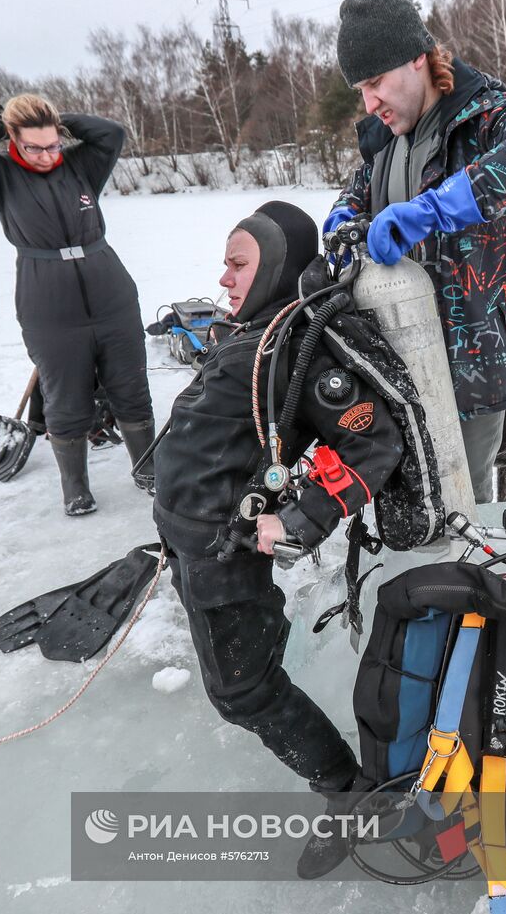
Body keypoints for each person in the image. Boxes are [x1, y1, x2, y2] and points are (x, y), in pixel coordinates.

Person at [153, 200, 406, 878]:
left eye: (238, 263)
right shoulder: (256, 334)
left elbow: (373, 444)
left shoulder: (297, 348)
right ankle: (350, 790)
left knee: (244, 693)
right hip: (190, 546)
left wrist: (296, 522)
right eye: (226, 264)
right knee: (241, 688)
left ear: (275, 265)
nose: (225, 277)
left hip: (224, 556)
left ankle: (353, 795)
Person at [325, 0, 506, 503]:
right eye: (360, 90)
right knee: (412, 495)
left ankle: (474, 580)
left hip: (476, 368)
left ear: (417, 59)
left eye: (376, 80)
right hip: (399, 356)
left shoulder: (482, 117)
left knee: (466, 499)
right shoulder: (384, 144)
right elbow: (348, 202)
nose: (370, 101)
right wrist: (343, 227)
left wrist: (434, 209)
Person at [0, 94, 155, 515]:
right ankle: (75, 487)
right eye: (33, 146)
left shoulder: (81, 166)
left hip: (111, 292)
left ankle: (148, 469)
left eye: (52, 144)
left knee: (130, 387)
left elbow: (111, 132)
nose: (44, 155)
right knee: (65, 399)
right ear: (13, 141)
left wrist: (58, 122)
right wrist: (4, 120)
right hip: (47, 302)